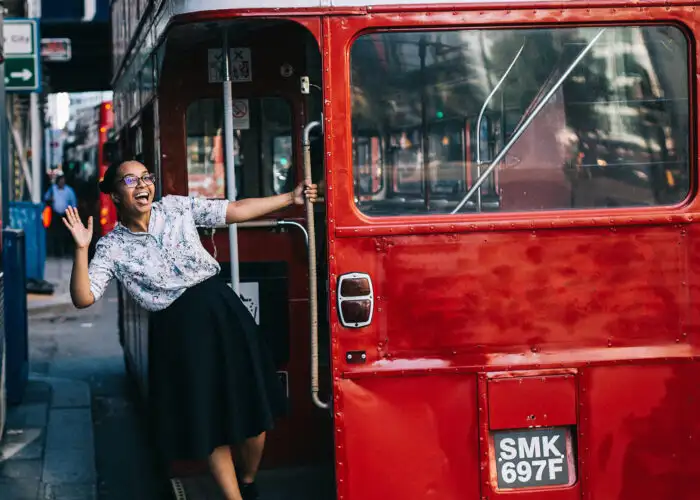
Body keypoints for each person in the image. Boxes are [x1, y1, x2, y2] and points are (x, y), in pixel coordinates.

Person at [63, 160, 318, 500]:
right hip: (178, 332)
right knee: (207, 421)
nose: (143, 184)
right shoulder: (112, 248)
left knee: (254, 414)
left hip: (221, 312)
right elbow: (84, 298)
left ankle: (248, 479)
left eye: (146, 177)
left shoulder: (176, 207)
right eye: (130, 179)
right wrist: (82, 249)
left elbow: (235, 210)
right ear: (114, 194)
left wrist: (291, 197)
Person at [44, 172, 78, 257]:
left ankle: (64, 251)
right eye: (60, 181)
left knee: (65, 234)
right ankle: (55, 252)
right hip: (55, 215)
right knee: (55, 234)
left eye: (63, 181)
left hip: (65, 214)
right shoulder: (53, 189)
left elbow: (73, 202)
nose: (61, 182)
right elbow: (45, 198)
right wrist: (50, 199)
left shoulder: (69, 190)